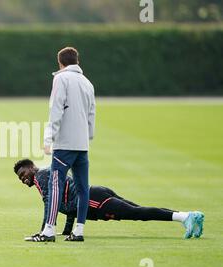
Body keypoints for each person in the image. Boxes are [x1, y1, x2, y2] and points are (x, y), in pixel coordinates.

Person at [14, 159, 205, 241]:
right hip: (96, 193)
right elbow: (66, 202)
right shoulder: (49, 173)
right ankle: (188, 217)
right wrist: (66, 231)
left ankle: (185, 217)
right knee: (140, 210)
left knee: (138, 213)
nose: (23, 179)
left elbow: (51, 204)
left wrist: (45, 231)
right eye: (20, 178)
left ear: (32, 167)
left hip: (94, 201)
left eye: (24, 173)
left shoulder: (40, 178)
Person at [41, 46, 96, 242]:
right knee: (83, 188)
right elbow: (91, 113)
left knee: (55, 184)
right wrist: (87, 136)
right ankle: (79, 231)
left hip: (64, 144)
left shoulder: (60, 78)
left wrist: (48, 138)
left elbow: (55, 109)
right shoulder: (87, 82)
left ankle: (48, 230)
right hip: (82, 145)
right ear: (77, 61)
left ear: (60, 62)